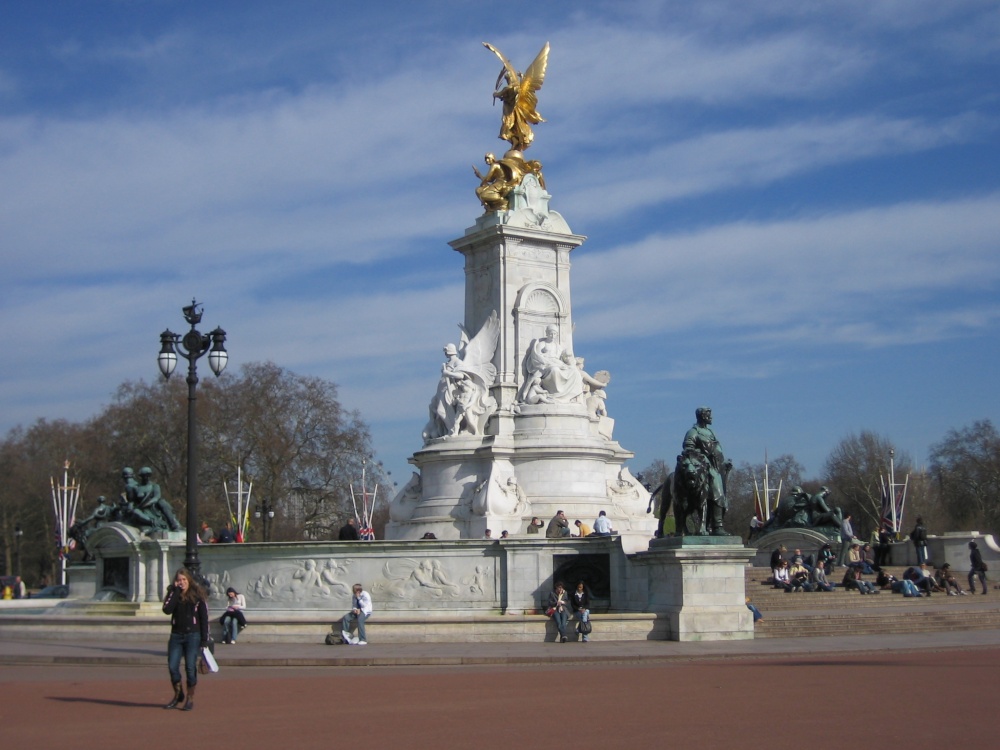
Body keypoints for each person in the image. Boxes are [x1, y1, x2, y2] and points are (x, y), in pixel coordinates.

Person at [162, 568, 210, 711]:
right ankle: (178, 694)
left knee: (190, 667)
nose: (181, 582)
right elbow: (167, 609)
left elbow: (204, 619)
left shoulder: (197, 596)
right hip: (176, 635)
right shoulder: (173, 594)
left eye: (184, 579)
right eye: (179, 580)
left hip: (192, 636)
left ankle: (190, 697)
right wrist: (175, 592)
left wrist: (204, 640)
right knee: (172, 666)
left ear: (189, 580)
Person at [680, 407, 733, 535]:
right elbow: (688, 450)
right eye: (708, 415)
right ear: (702, 416)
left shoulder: (710, 432)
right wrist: (704, 460)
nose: (711, 418)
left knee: (722, 494)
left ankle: (713, 525)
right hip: (704, 467)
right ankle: (717, 526)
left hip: (717, 467)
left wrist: (724, 463)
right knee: (717, 492)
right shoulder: (693, 432)